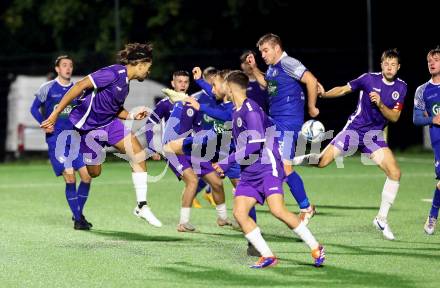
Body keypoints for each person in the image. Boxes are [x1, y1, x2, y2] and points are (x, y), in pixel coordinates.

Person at [40, 43, 162, 228]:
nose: (148, 72)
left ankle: (141, 205)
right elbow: (80, 85)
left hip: (110, 124)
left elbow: (113, 108)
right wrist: (55, 114)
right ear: (141, 64)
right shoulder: (114, 73)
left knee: (137, 153)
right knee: (94, 173)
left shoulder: (126, 84)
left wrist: (129, 115)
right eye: (148, 68)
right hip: (88, 130)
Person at [215, 70, 325, 268]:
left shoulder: (251, 109)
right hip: (249, 173)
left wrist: (226, 161)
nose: (221, 88)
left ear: (231, 88)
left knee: (278, 211)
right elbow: (243, 146)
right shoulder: (235, 111)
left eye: (223, 84)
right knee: (240, 214)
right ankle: (268, 256)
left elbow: (255, 144)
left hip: (268, 167)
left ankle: (316, 246)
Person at [296, 49, 407, 240]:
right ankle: (291, 160)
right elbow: (344, 89)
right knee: (322, 161)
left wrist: (380, 104)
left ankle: (381, 219)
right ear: (381, 65)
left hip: (373, 136)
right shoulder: (368, 79)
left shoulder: (401, 87)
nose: (389, 67)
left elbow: (395, 117)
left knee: (395, 173)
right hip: (354, 131)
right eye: (386, 64)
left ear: (398, 67)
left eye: (393, 64)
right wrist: (323, 95)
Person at [246, 33, 319, 224]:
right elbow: (266, 84)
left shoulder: (288, 63)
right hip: (275, 121)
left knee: (285, 167)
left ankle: (305, 207)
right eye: (261, 51)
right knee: (270, 161)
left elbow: (311, 80)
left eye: (265, 50)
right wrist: (254, 69)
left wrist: (312, 107)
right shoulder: (272, 68)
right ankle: (285, 204)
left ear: (277, 48)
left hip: (287, 123)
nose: (262, 54)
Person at [30, 55, 92, 230]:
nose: (68, 68)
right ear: (57, 69)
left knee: (87, 178)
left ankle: (77, 214)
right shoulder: (48, 88)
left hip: (75, 140)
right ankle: (79, 219)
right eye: (64, 65)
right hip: (57, 140)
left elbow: (82, 112)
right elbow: (33, 108)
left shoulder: (77, 89)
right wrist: (44, 122)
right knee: (70, 178)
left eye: (71, 65)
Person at [413, 47, 440, 235]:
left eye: (436, 59)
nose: (431, 63)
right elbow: (416, 119)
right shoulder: (422, 90)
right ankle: (433, 215)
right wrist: (433, 119)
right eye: (429, 60)